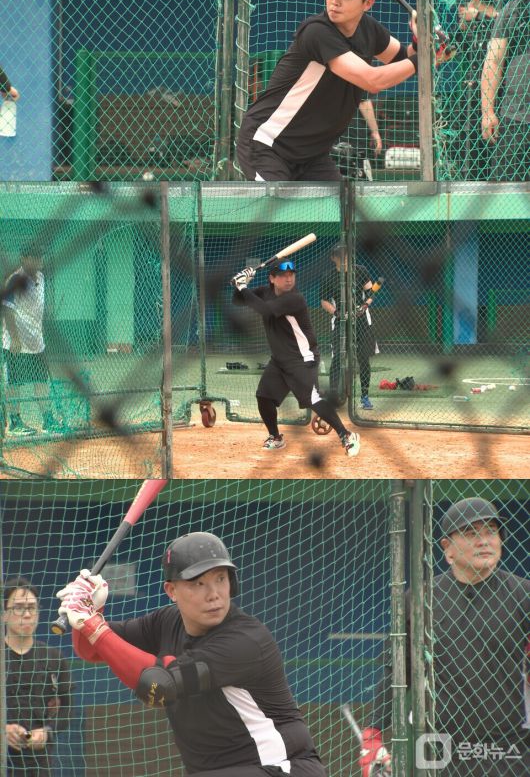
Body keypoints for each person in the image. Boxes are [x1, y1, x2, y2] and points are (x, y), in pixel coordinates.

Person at [56, 531, 329, 777]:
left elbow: (159, 686)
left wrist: (92, 624)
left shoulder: (245, 640)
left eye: (220, 579)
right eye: (198, 583)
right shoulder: (167, 622)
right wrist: (88, 610)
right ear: (171, 590)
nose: (214, 594)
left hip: (281, 767)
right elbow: (92, 650)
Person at [358, 497, 530, 776]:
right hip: (440, 748)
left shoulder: (523, 595)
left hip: (511, 748)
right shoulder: (420, 599)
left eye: (491, 531)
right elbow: (397, 673)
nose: (484, 541)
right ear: (447, 548)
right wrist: (373, 734)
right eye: (471, 533)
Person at [236, 0, 447, 183]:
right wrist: (427, 57)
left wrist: (421, 41)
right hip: (269, 145)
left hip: (311, 155)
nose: (335, 1)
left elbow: (403, 59)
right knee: (274, 205)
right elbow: (373, 81)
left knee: (344, 205)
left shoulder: (369, 29)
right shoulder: (317, 32)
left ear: (367, 4)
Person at [231, 258, 361, 457]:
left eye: (291, 275)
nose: (289, 279)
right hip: (280, 359)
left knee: (312, 399)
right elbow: (238, 300)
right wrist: (239, 284)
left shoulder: (294, 299)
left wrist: (242, 286)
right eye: (283, 275)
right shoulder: (265, 292)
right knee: (264, 396)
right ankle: (275, 437)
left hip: (302, 358)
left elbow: (266, 310)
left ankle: (347, 435)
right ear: (272, 279)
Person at [5, 577, 73, 776]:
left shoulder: (54, 658)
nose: (27, 614)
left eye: (32, 608)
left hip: (39, 764)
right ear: (4, 614)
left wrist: (47, 732)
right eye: (18, 608)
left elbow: (67, 709)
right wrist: (3, 730)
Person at [440, 0, 502, 179]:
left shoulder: (499, 20)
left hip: (497, 97)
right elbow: (447, 54)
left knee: (493, 153)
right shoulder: (470, 28)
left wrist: (477, 17)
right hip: (469, 99)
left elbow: (498, 23)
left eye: (465, 0)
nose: (460, 7)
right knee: (468, 152)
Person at [481, 0, 530, 182]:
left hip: (515, 114)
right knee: (504, 190)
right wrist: (487, 111)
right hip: (514, 116)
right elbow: (493, 61)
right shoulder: (513, 9)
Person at [1, 254, 63, 435]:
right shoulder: (15, 280)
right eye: (34, 257)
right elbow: (7, 310)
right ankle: (15, 422)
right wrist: (14, 338)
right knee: (15, 382)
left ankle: (47, 419)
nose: (39, 260)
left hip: (36, 341)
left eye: (41, 256)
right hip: (16, 343)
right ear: (24, 258)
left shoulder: (41, 278)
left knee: (41, 381)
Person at [320, 244, 379, 411]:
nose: (344, 258)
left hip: (361, 320)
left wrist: (364, 306)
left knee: (363, 358)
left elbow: (371, 292)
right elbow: (324, 301)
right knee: (338, 358)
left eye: (346, 255)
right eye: (340, 256)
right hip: (340, 321)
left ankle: (365, 396)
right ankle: (333, 396)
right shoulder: (328, 276)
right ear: (333, 258)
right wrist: (337, 313)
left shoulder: (360, 270)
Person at [332, 97, 383, 180]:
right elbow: (364, 102)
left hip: (328, 135)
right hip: (352, 135)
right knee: (359, 179)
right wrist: (375, 132)